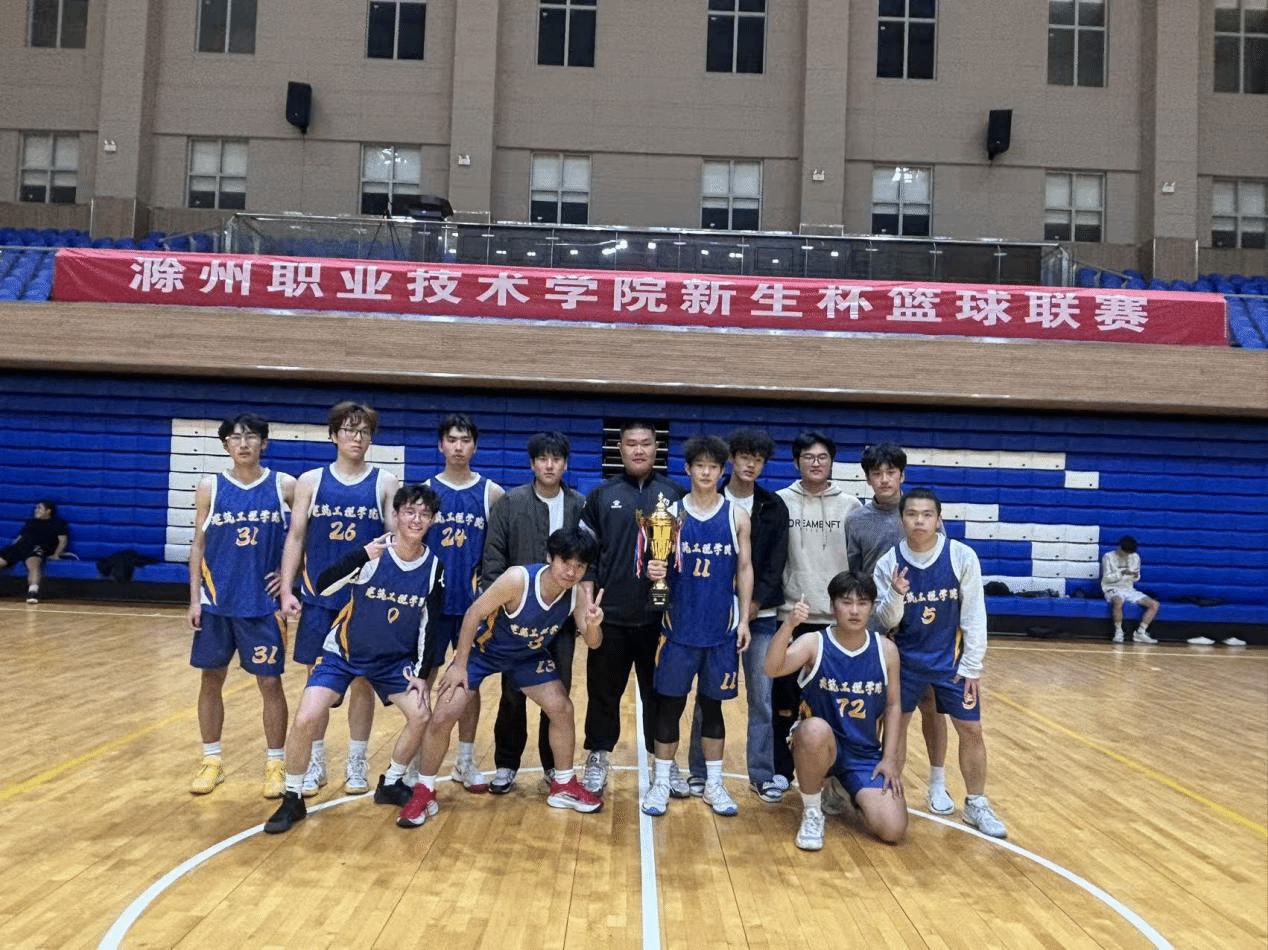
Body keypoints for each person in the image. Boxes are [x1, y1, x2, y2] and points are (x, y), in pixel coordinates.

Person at [264, 483, 445, 834]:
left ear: (433, 520)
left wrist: (422, 674)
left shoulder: (434, 567)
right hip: (343, 654)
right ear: (396, 515)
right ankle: (293, 797)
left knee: (421, 714)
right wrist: (361, 555)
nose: (416, 519)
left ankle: (391, 781)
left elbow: (430, 624)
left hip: (391, 661)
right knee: (306, 717)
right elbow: (323, 584)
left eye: (424, 514)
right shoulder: (374, 554)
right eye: (409, 511)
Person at [400, 527, 606, 826]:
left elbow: (593, 643)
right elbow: (473, 613)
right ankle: (424, 791)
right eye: (566, 562)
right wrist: (459, 664)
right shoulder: (518, 579)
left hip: (527, 655)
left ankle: (563, 785)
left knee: (562, 708)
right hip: (484, 652)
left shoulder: (578, 593)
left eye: (580, 566)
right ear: (550, 557)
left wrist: (593, 624)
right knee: (444, 714)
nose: (572, 572)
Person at [278, 401, 400, 798]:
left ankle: (357, 762)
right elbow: (296, 537)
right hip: (319, 600)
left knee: (363, 683)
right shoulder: (310, 481)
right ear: (333, 435)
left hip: (364, 605)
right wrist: (286, 589)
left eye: (364, 432)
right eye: (349, 430)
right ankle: (315, 762)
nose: (357, 438)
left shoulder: (386, 482)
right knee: (317, 684)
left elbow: (394, 544)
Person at [872, 488, 1007, 838]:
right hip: (904, 661)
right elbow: (884, 621)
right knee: (895, 730)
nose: (919, 521)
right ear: (901, 519)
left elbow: (974, 615)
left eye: (927, 514)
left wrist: (972, 665)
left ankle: (975, 803)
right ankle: (892, 796)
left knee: (971, 730)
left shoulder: (961, 556)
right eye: (912, 514)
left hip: (951, 661)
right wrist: (896, 593)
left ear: (938, 519)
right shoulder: (888, 563)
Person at [641, 436, 752, 817]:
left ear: (722, 471)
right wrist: (655, 573)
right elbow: (656, 572)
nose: (706, 472)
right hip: (678, 630)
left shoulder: (737, 516)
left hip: (720, 630)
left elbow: (745, 569)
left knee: (712, 709)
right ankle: (661, 782)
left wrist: (745, 621)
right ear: (687, 469)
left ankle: (714, 784)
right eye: (699, 465)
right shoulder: (669, 515)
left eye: (713, 466)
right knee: (669, 707)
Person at [187, 413, 295, 799]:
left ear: (264, 443)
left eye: (251, 437)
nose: (244, 443)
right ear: (226, 445)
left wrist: (290, 578)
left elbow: (301, 535)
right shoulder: (210, 487)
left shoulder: (284, 484)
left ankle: (276, 762)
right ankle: (212, 760)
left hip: (263, 605)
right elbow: (198, 545)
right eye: (236, 437)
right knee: (211, 678)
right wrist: (194, 597)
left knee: (270, 682)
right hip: (217, 602)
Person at [845, 442, 952, 817]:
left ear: (902, 475)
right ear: (868, 478)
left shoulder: (920, 512)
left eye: (891, 472)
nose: (885, 479)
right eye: (877, 473)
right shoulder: (856, 521)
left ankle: (937, 783)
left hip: (926, 627)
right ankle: (881, 781)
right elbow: (856, 578)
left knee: (932, 706)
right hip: (880, 628)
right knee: (883, 709)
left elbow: (942, 565)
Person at [578, 420, 685, 795]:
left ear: (656, 448)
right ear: (620, 449)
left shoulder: (675, 495)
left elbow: (684, 556)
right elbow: (586, 558)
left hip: (659, 617)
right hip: (612, 616)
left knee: (660, 694)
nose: (639, 450)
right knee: (603, 692)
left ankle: (664, 762)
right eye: (631, 444)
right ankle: (598, 756)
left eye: (645, 443)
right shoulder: (601, 496)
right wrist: (587, 607)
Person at [766, 572, 906, 851]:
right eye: (846, 602)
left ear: (872, 607)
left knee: (893, 829)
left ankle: (842, 788)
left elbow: (893, 706)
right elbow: (772, 668)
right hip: (819, 744)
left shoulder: (886, 650)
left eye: (862, 603)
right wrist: (789, 625)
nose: (854, 610)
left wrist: (889, 758)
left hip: (863, 752)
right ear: (832, 606)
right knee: (814, 730)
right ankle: (812, 810)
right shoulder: (814, 643)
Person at [685, 428, 788, 802]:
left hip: (760, 617)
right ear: (731, 459)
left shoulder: (773, 506)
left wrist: (750, 606)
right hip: (711, 617)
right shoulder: (708, 499)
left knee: (761, 698)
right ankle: (699, 772)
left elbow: (775, 564)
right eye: (745, 457)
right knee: (707, 696)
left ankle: (761, 774)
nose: (751, 464)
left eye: (758, 459)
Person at [481, 432, 586, 795]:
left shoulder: (579, 506)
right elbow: (493, 557)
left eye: (556, 459)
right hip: (517, 620)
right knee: (512, 692)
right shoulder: (510, 503)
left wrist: (584, 609)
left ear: (565, 464)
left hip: (562, 620)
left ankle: (552, 766)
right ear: (532, 463)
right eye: (542, 458)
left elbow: (589, 559)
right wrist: (500, 609)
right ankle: (506, 763)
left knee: (557, 693)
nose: (549, 465)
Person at [771, 431, 860, 788]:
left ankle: (833, 778)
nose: (816, 463)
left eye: (822, 457)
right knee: (784, 701)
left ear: (832, 462)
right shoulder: (780, 502)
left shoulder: (851, 506)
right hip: (793, 615)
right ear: (796, 462)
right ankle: (781, 772)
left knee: (833, 703)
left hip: (836, 621)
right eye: (808, 457)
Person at [422, 413, 504, 792]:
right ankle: (418, 759)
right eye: (452, 440)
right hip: (431, 606)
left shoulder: (491, 493)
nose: (458, 447)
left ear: (474, 446)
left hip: (474, 607)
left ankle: (465, 761)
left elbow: (499, 553)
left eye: (465, 440)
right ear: (441, 445)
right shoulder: (425, 492)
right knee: (423, 681)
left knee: (469, 684)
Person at [0, 500, 69, 603]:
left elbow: (63, 540)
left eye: (39, 508)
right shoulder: (31, 522)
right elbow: (20, 537)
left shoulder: (57, 523)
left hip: (37, 548)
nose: (36, 510)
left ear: (48, 511)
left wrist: (56, 554)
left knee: (33, 565)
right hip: (20, 547)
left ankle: (32, 592)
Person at [1101, 536, 1159, 644]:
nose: (1127, 555)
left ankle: (1140, 632)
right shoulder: (1108, 557)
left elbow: (1137, 577)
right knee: (1118, 601)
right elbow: (1106, 578)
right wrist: (1121, 573)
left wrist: (1134, 575)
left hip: (1128, 589)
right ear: (1119, 548)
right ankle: (1118, 632)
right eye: (1125, 553)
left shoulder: (1135, 557)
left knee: (1154, 604)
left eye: (1129, 553)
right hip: (1111, 587)